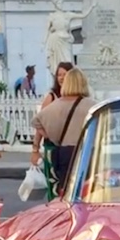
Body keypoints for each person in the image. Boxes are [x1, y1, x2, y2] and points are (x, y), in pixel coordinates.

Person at [31, 67, 97, 199]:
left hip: (63, 152)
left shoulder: (55, 106)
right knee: (86, 191)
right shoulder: (91, 106)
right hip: (86, 151)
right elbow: (110, 122)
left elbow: (36, 121)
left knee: (66, 191)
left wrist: (49, 135)